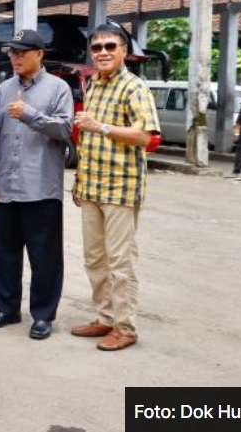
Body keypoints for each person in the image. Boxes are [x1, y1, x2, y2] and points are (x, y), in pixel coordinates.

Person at [71, 23, 160, 351]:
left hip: (121, 189)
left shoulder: (135, 88)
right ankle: (105, 317)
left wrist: (102, 127)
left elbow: (146, 137)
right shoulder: (93, 85)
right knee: (94, 258)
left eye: (110, 46)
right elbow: (87, 139)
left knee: (120, 260)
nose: (103, 52)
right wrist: (79, 181)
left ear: (124, 51)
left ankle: (125, 327)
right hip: (92, 187)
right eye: (97, 48)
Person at [0, 30, 73, 340]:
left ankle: (43, 315)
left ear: (39, 54)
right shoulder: (4, 90)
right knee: (5, 253)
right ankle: (6, 308)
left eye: (22, 52)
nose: (16, 58)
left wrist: (30, 114)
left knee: (44, 257)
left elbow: (65, 129)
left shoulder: (58, 89)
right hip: (7, 186)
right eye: (12, 53)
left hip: (41, 188)